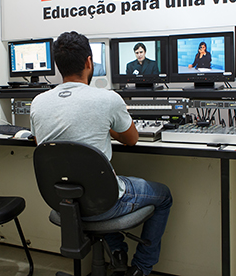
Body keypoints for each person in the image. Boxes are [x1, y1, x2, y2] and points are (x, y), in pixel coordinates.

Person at [30, 31, 172, 276]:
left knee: (98, 186)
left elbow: (42, 145)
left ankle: (116, 249)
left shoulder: (38, 102)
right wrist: (107, 128)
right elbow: (132, 139)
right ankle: (141, 268)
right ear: (88, 62)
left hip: (63, 202)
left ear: (58, 66)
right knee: (163, 196)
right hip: (103, 203)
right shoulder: (107, 99)